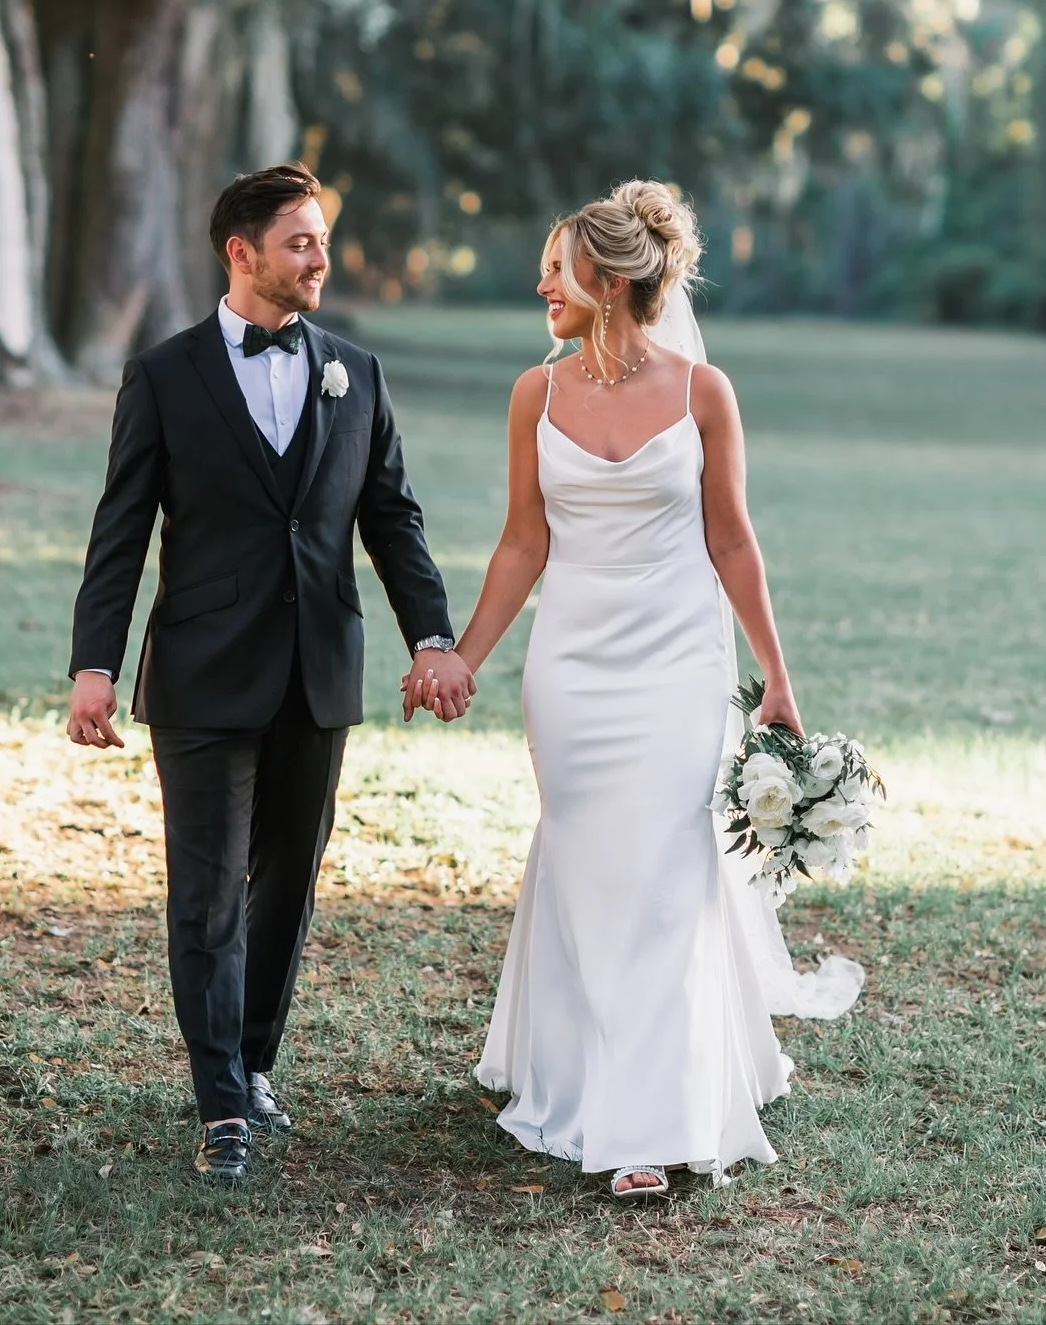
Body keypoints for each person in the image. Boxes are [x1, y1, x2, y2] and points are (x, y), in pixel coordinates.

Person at [407, 180, 862, 1198]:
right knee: (588, 866)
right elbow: (525, 541)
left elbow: (732, 539)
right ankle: (577, 1071)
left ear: (607, 283)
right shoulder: (539, 393)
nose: (540, 284)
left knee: (664, 878)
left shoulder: (705, 393)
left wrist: (777, 677)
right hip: (573, 668)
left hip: (677, 665)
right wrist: (464, 657)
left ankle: (647, 1124)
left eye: (555, 269)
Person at [67, 163, 475, 1183]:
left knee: (285, 888)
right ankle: (220, 1111)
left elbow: (393, 520)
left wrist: (432, 635)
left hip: (318, 673)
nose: (322, 260)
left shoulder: (357, 373)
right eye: (301, 242)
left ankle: (249, 1067)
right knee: (204, 895)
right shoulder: (163, 376)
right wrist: (93, 664)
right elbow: (120, 530)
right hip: (203, 673)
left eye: (323, 241)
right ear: (241, 253)